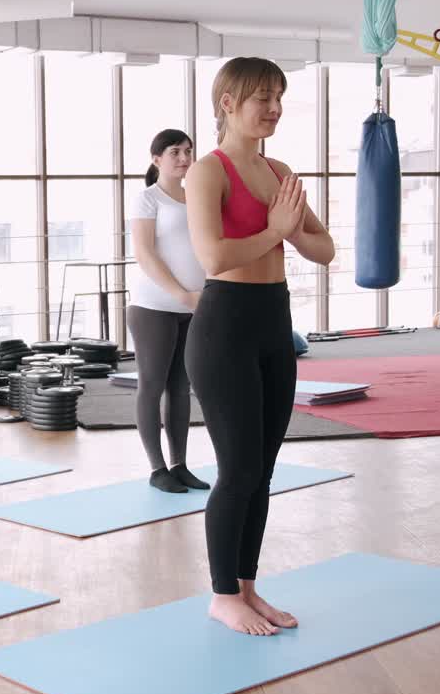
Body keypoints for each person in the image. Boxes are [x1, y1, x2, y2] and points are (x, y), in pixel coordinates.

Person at [184, 57, 334, 636]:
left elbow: (324, 250)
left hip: (274, 323)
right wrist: (275, 230)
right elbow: (214, 257)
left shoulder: (280, 169)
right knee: (238, 467)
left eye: (278, 96)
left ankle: (247, 588)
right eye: (261, 98)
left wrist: (291, 229)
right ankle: (222, 595)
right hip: (224, 329)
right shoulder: (207, 172)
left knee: (263, 469)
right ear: (227, 103)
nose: (273, 108)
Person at [125, 129, 210, 494]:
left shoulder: (198, 199)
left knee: (181, 387)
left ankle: (179, 464)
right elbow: (145, 254)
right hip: (153, 308)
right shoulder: (148, 199)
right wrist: (182, 295)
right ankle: (157, 468)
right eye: (175, 151)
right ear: (156, 158)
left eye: (188, 151)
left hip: (193, 307)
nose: (183, 157)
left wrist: (203, 295)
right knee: (152, 384)